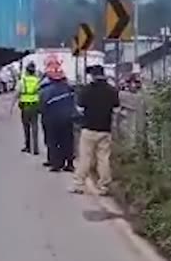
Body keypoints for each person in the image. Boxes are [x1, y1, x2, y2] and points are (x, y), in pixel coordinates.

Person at [72, 64, 119, 195]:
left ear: (92, 76)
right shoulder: (112, 90)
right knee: (103, 158)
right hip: (105, 129)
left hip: (89, 128)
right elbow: (116, 109)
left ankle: (79, 184)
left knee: (85, 157)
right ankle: (104, 186)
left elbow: (80, 109)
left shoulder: (86, 90)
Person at [39, 64, 78, 172]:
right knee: (67, 141)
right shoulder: (69, 89)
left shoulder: (45, 90)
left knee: (53, 141)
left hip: (51, 120)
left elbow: (41, 106)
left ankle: (56, 164)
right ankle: (69, 163)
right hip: (67, 119)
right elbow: (75, 103)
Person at [17, 62, 42, 155]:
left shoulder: (23, 80)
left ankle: (28, 146)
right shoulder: (37, 80)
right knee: (35, 127)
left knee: (26, 127)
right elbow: (40, 93)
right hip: (35, 106)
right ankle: (36, 149)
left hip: (25, 106)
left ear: (27, 71)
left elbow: (18, 92)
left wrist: (12, 106)